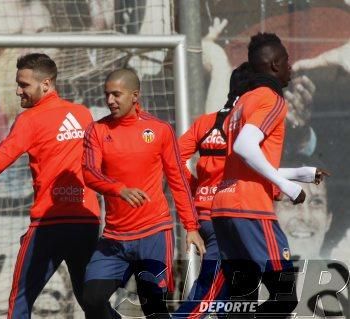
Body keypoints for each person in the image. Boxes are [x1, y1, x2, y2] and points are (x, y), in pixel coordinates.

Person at [0, 53, 102, 319]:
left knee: (20, 304)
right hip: (86, 222)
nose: (18, 91)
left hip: (48, 226)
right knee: (93, 304)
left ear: (46, 84)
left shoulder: (30, 120)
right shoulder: (82, 114)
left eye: (24, 85)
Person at [210, 32, 328, 317]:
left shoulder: (243, 102)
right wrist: (286, 185)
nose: (291, 66)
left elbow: (248, 161)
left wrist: (301, 173)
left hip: (226, 207)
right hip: (251, 209)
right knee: (284, 297)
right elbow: (244, 147)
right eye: (287, 60)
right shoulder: (271, 98)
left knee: (242, 298)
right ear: (275, 65)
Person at [80, 68, 206, 319]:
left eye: (116, 94)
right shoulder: (97, 130)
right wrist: (119, 189)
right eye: (107, 95)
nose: (110, 101)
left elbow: (178, 181)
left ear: (135, 95)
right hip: (114, 239)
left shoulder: (159, 130)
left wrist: (191, 226)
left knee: (153, 307)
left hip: (154, 235)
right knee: (91, 300)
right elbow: (89, 172)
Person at [174, 62, 254, 318]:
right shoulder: (247, 126)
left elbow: (172, 159)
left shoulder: (206, 122)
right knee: (208, 291)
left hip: (209, 215)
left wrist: (197, 187)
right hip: (229, 219)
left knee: (233, 299)